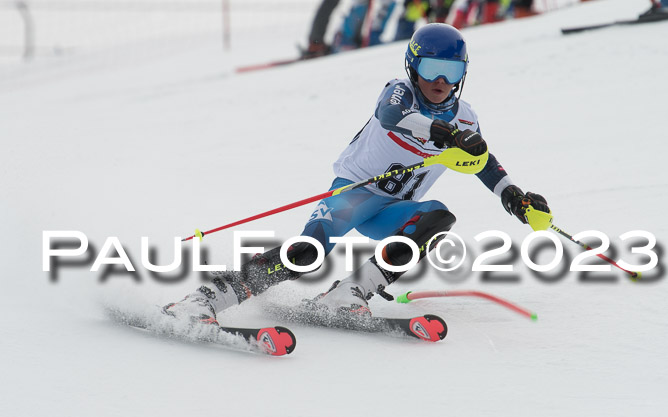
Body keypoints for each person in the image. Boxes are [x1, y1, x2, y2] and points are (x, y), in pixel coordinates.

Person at [163, 23, 550, 323]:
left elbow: (483, 161)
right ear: (413, 67)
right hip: (353, 194)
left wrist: (514, 197)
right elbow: (391, 116)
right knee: (307, 254)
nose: (440, 82)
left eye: (450, 72)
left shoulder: (466, 116)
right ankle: (206, 298)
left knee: (438, 218)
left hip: (392, 209)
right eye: (431, 69)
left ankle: (348, 294)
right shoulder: (400, 91)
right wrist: (443, 133)